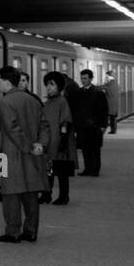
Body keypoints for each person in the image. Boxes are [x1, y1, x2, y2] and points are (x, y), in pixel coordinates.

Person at [0, 66, 50, 243]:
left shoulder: (5, 102)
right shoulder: (33, 100)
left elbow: (12, 129)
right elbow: (44, 125)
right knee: (31, 194)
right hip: (33, 154)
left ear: (7, 82)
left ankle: (13, 232)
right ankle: (31, 231)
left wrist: (28, 147)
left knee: (10, 194)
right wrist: (40, 144)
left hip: (10, 154)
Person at [40, 71, 75, 205]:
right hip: (49, 141)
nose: (49, 87)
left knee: (61, 171)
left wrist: (63, 141)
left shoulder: (62, 102)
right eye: (47, 84)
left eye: (52, 85)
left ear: (59, 86)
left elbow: (65, 122)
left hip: (59, 141)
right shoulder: (48, 102)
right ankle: (46, 194)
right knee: (48, 170)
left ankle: (63, 196)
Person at [71, 69, 109, 176]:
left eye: (85, 78)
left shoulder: (98, 93)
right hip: (83, 126)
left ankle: (95, 170)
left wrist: (103, 125)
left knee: (95, 149)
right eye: (82, 78)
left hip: (95, 126)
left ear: (91, 79)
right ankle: (87, 168)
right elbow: (75, 110)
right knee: (85, 148)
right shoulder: (78, 93)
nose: (83, 81)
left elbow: (103, 110)